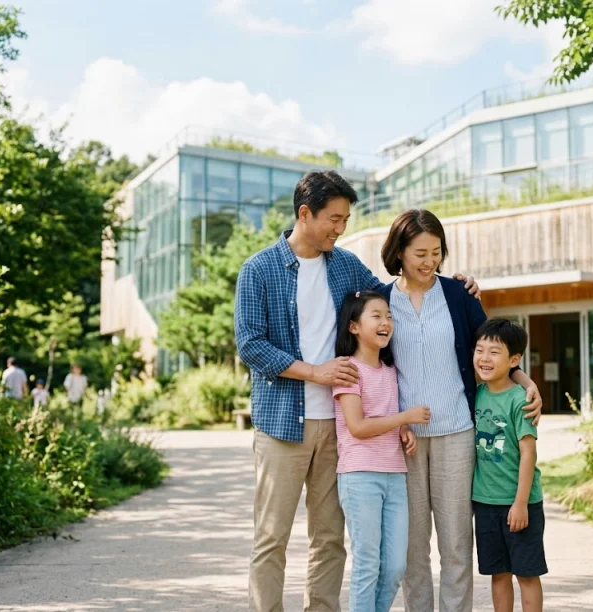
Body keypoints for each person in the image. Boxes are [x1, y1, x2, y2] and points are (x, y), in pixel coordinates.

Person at [234, 171, 480, 612]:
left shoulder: (345, 265)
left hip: (340, 429)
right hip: (282, 422)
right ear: (304, 214)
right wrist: (315, 373)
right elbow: (250, 344)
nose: (340, 228)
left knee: (330, 540)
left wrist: (450, 280)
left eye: (346, 219)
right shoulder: (259, 268)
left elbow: (393, 295)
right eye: (334, 218)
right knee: (271, 538)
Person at [376, 209, 543, 612]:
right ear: (398, 251)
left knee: (455, 544)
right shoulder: (380, 300)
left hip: (456, 432)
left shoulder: (457, 294)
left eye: (436, 252)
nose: (429, 261)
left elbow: (493, 349)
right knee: (413, 547)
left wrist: (525, 381)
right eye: (419, 253)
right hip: (407, 438)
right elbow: (373, 364)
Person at [332, 291, 429, 612]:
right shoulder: (347, 369)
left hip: (395, 475)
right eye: (376, 316)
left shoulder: (390, 371)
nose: (386, 322)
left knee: (395, 566)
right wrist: (404, 418)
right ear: (354, 327)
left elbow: (383, 414)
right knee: (367, 563)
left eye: (388, 315)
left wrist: (402, 430)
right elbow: (357, 426)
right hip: (360, 476)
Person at [472, 318, 546, 612]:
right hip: (485, 503)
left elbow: (529, 454)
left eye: (494, 352)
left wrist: (520, 503)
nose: (484, 358)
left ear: (514, 360)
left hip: (519, 503)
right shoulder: (476, 395)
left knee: (527, 573)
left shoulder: (521, 400)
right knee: (498, 572)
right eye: (480, 350)